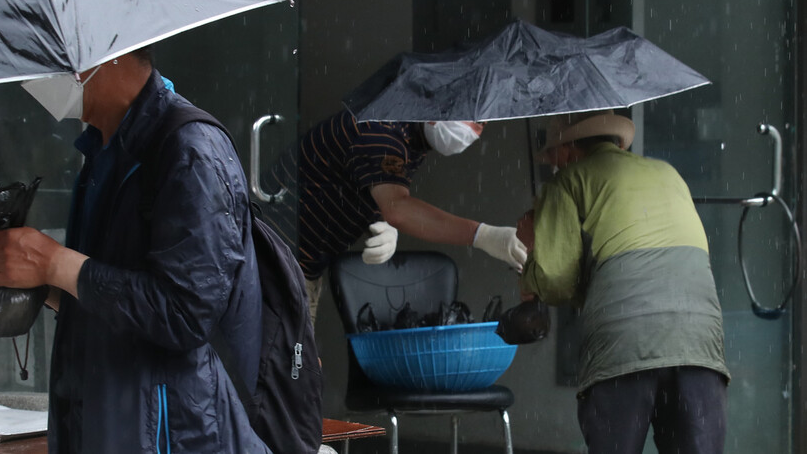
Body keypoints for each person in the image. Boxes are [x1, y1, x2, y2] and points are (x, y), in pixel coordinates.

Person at [0, 48, 271, 453]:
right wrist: (37, 278)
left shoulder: (190, 151)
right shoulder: (102, 150)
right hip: (101, 420)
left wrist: (57, 264)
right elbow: (116, 302)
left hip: (172, 433)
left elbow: (186, 314)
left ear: (107, 53)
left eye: (50, 54)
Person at [517, 109, 730, 454]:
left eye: (555, 159)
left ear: (569, 152)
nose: (555, 167)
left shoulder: (568, 181)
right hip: (698, 338)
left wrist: (531, 251)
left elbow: (557, 282)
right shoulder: (668, 173)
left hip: (623, 338)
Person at [267, 109, 528, 323]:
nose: (472, 128)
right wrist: (482, 235)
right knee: (283, 373)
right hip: (271, 261)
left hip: (300, 266)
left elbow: (368, 187)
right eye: (467, 114)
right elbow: (398, 209)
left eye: (480, 120)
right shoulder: (381, 129)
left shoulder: (409, 134)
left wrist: (380, 220)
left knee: (295, 372)